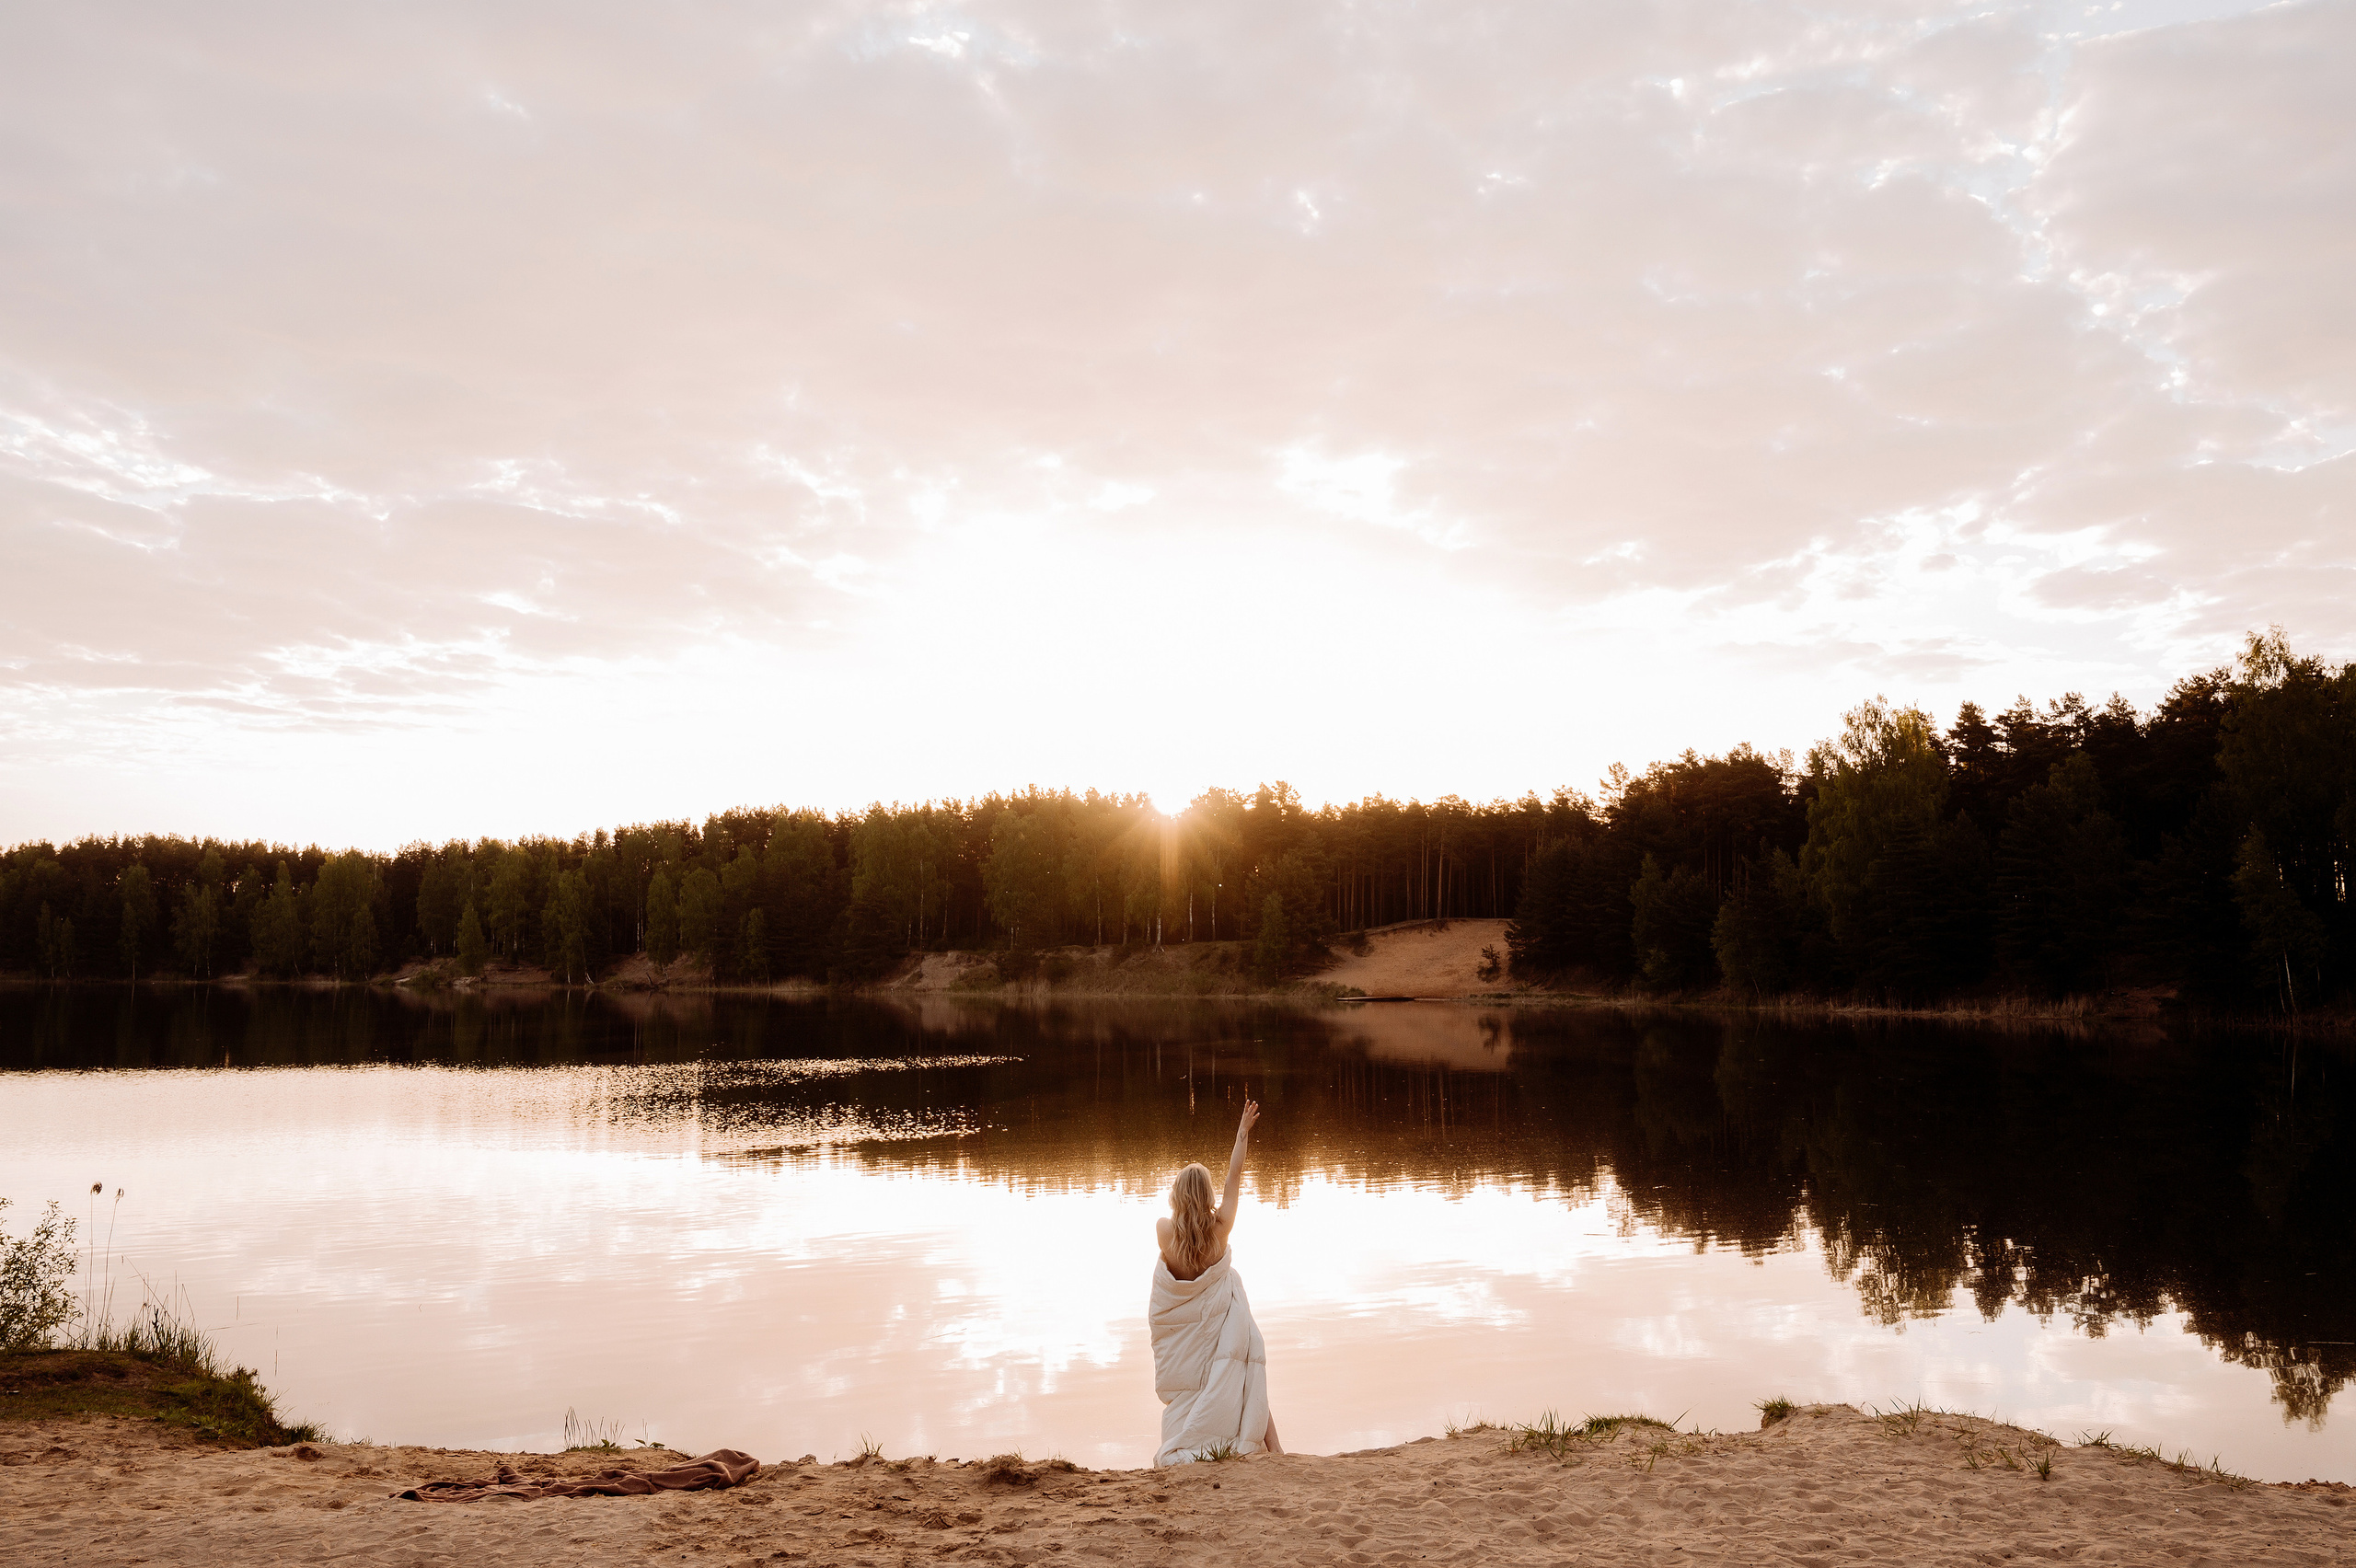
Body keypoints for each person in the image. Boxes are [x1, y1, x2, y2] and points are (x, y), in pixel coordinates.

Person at [1148, 1098, 1282, 1464]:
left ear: (1176, 1194)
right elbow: (1234, 1178)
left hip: (1189, 1338)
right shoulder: (1220, 1230)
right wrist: (1241, 1134)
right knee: (1246, 1363)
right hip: (1221, 1322)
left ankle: (1185, 1436)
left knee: (1224, 1370)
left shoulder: (1164, 1232)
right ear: (1206, 1195)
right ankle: (1276, 1448)